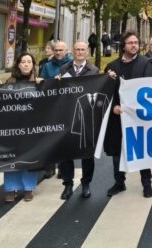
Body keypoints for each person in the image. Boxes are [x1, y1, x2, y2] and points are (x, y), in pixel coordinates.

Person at [104, 31, 152, 197]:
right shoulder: (112, 66)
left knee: (140, 149)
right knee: (117, 152)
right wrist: (114, 107)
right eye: (130, 43)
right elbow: (106, 92)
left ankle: (146, 183)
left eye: (136, 42)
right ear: (123, 46)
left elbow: (150, 87)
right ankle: (119, 182)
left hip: (138, 116)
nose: (134, 45)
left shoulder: (146, 63)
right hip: (118, 116)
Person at [56, 42, 100, 200]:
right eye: (77, 50)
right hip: (67, 116)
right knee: (65, 152)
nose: (80, 52)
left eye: (83, 50)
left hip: (86, 117)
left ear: (87, 52)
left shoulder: (94, 70)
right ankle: (68, 185)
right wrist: (56, 82)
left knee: (87, 152)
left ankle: (86, 184)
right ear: (72, 52)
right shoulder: (64, 69)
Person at [0, 53, 42, 202]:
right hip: (12, 126)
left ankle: (28, 188)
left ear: (33, 65)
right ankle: (11, 189)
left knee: (29, 157)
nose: (26, 64)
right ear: (18, 65)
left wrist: (45, 84)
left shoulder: (38, 82)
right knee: (11, 157)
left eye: (29, 62)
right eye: (23, 62)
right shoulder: (9, 81)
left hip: (31, 127)